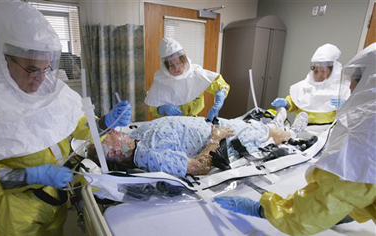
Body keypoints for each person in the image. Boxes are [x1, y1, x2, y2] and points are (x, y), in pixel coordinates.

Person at [0, 1, 131, 235]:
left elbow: (78, 126)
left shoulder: (49, 90)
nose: (40, 79)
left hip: (54, 200)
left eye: (46, 68)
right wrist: (27, 175)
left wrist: (104, 122)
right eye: (31, 69)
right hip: (16, 212)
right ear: (4, 59)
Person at [214, 43, 376, 235]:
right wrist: (284, 106)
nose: (350, 85)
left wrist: (266, 209)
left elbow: (334, 192)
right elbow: (296, 101)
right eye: (316, 70)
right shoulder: (308, 87)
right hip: (303, 131)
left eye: (324, 71)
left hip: (322, 134)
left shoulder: (364, 133)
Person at [89, 109, 309, 178]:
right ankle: (291, 132)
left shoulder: (135, 137)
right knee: (257, 131)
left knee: (248, 123)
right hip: (221, 136)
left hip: (213, 123)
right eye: (109, 137)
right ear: (116, 152)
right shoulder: (151, 157)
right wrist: (216, 137)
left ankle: (279, 123)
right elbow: (200, 167)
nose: (114, 132)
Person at [145, 38, 230, 121]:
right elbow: (152, 105)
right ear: (165, 67)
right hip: (169, 122)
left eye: (179, 63)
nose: (176, 68)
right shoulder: (161, 80)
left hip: (192, 121)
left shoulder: (196, 74)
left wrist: (220, 97)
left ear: (184, 60)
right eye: (171, 65)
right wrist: (161, 109)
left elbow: (218, 84)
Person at [271, 43, 351, 124]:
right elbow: (294, 103)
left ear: (332, 72)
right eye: (316, 71)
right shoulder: (304, 86)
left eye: (323, 71)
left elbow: (349, 119)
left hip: (325, 132)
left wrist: (345, 107)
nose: (319, 75)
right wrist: (286, 104)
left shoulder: (340, 90)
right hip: (301, 129)